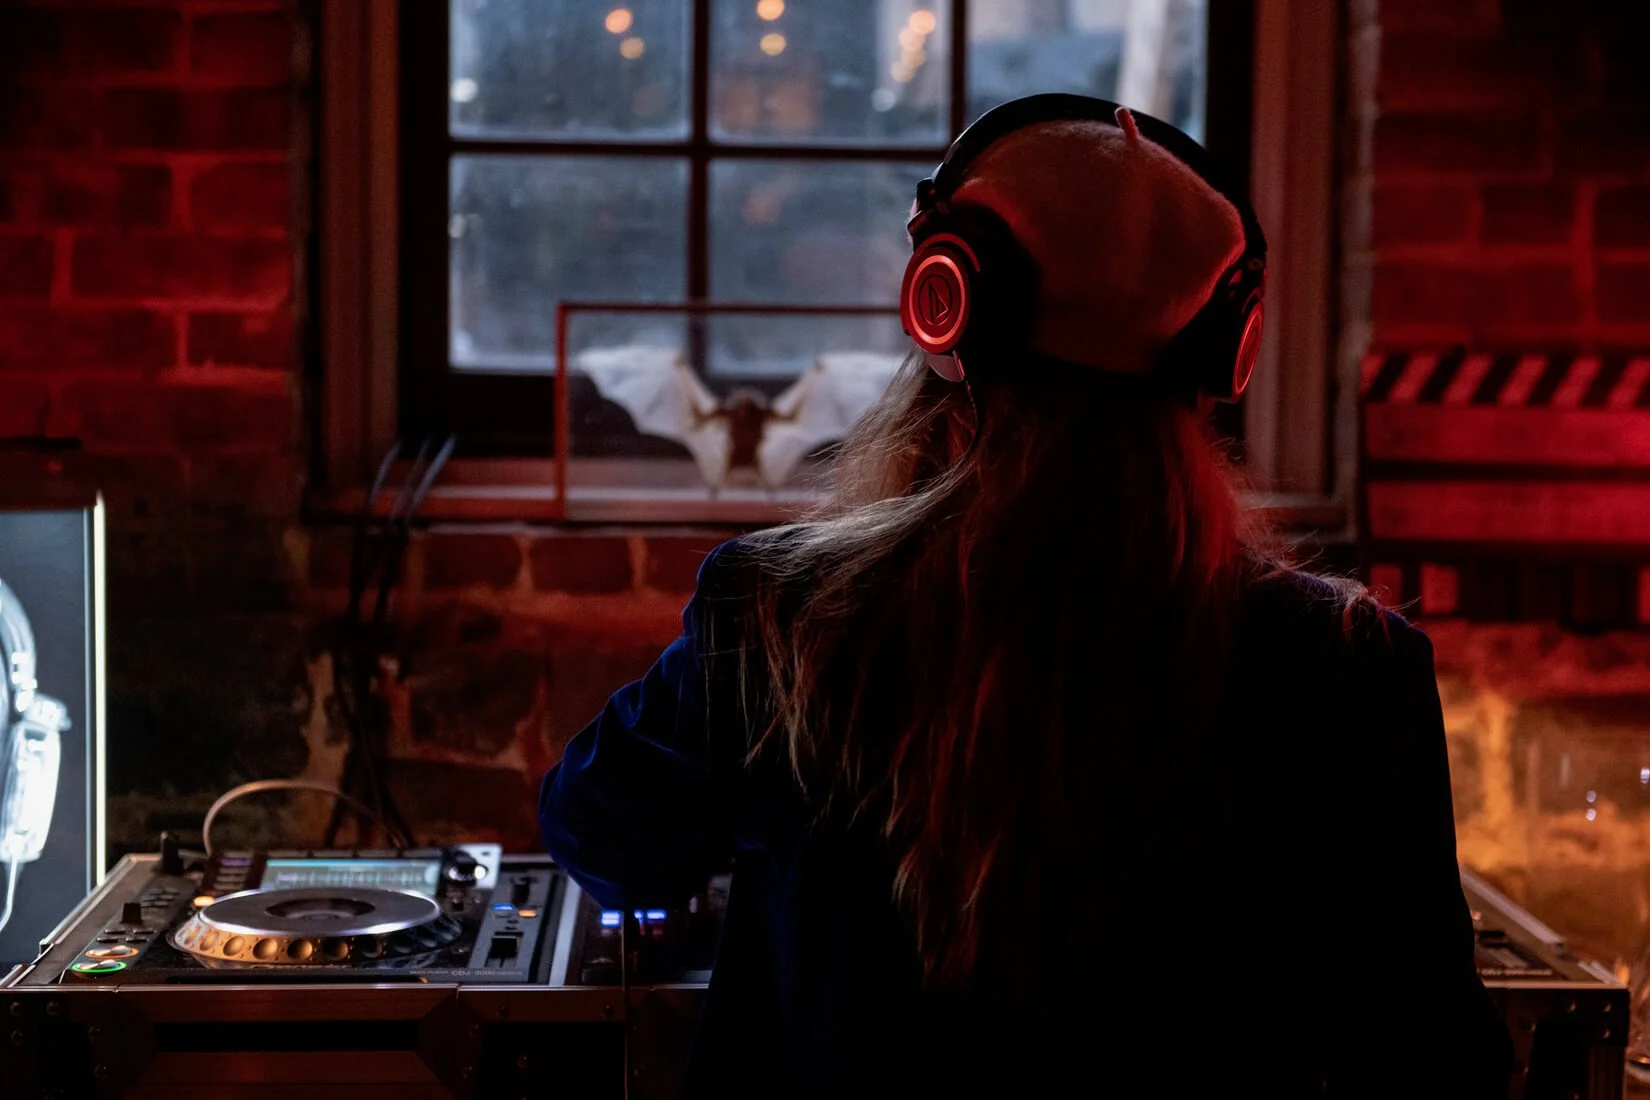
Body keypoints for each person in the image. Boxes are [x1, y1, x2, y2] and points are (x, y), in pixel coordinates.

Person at [539, 95, 1513, 1098]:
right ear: (1227, 350)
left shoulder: (784, 611)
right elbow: (1440, 1058)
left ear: (945, 303)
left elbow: (595, 834)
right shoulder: (1353, 669)